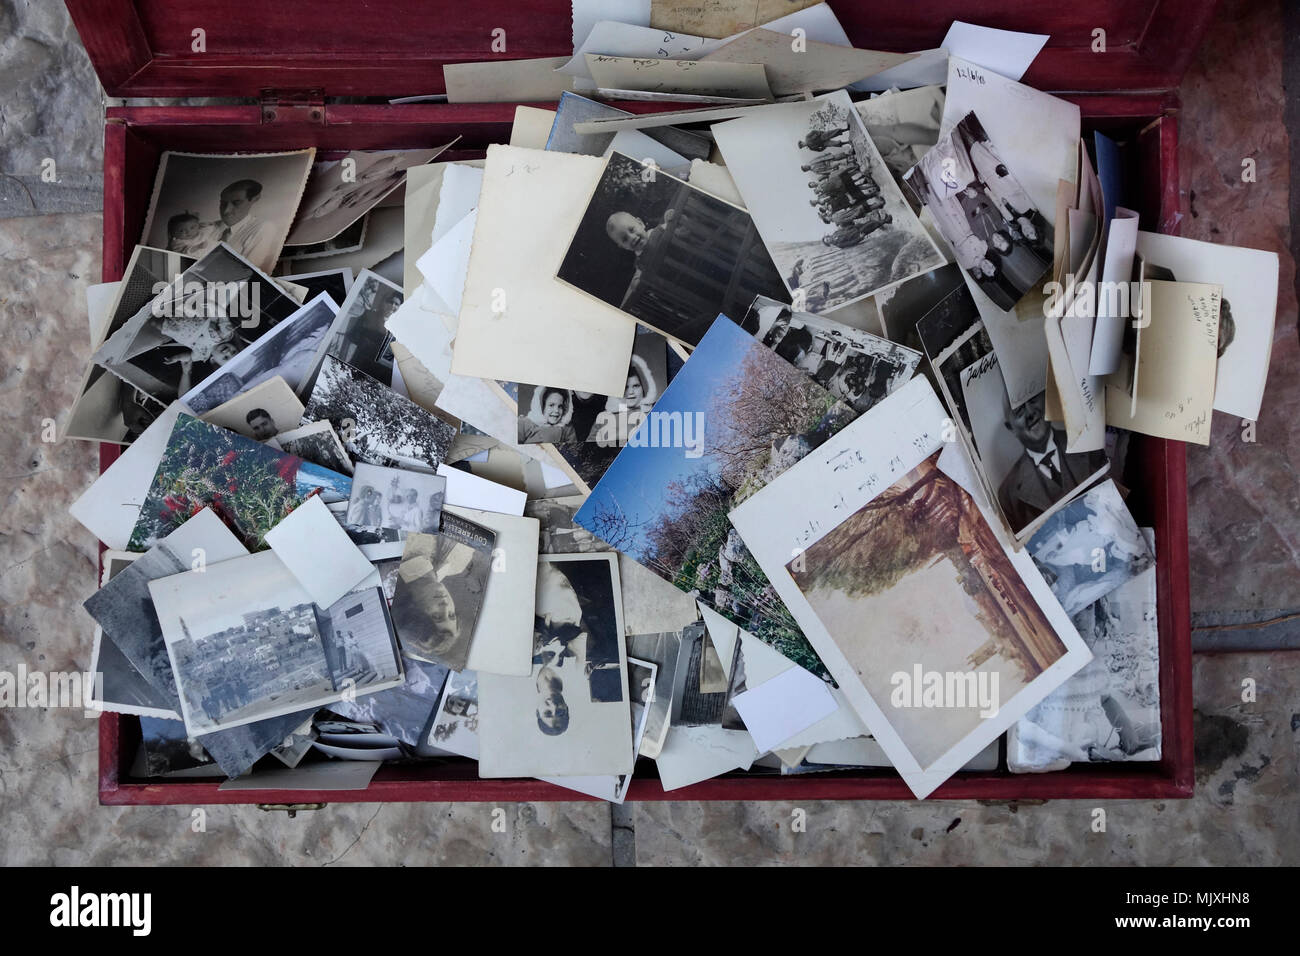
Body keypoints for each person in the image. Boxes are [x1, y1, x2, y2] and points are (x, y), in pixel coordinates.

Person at [996, 391, 1107, 531]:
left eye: (1032, 400)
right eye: (1019, 411)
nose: (1030, 412)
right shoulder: (1008, 494)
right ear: (1011, 428)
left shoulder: (1087, 443)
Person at [217, 179, 278, 271]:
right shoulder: (207, 228)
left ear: (254, 199)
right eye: (223, 203)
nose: (226, 211)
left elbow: (246, 272)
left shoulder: (264, 229)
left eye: (236, 202)